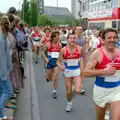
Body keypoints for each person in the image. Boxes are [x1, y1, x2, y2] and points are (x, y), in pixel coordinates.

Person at [83, 28, 120, 120]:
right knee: (100, 118)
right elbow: (86, 72)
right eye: (109, 37)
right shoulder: (97, 53)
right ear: (103, 40)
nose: (112, 40)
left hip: (117, 90)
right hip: (101, 91)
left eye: (115, 37)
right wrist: (103, 71)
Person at [57, 33, 85, 112]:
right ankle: (69, 103)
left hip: (77, 71)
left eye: (74, 38)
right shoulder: (63, 50)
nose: (73, 40)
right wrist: (60, 66)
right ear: (67, 40)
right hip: (67, 73)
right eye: (71, 38)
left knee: (78, 90)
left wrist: (83, 69)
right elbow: (58, 61)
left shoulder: (79, 49)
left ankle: (74, 89)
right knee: (68, 92)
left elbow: (83, 58)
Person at [0, 15, 13, 120]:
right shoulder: (1, 38)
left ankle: (1, 115)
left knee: (1, 91)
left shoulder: (3, 36)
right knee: (8, 91)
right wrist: (4, 73)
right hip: (2, 70)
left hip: (4, 69)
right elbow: (1, 58)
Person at [41, 31, 61, 99]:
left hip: (56, 63)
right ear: (53, 37)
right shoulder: (48, 44)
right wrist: (46, 59)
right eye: (57, 36)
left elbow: (61, 54)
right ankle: (48, 77)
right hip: (49, 63)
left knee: (55, 77)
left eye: (58, 36)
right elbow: (43, 53)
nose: (58, 37)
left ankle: (54, 91)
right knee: (50, 78)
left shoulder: (60, 45)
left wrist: (61, 61)